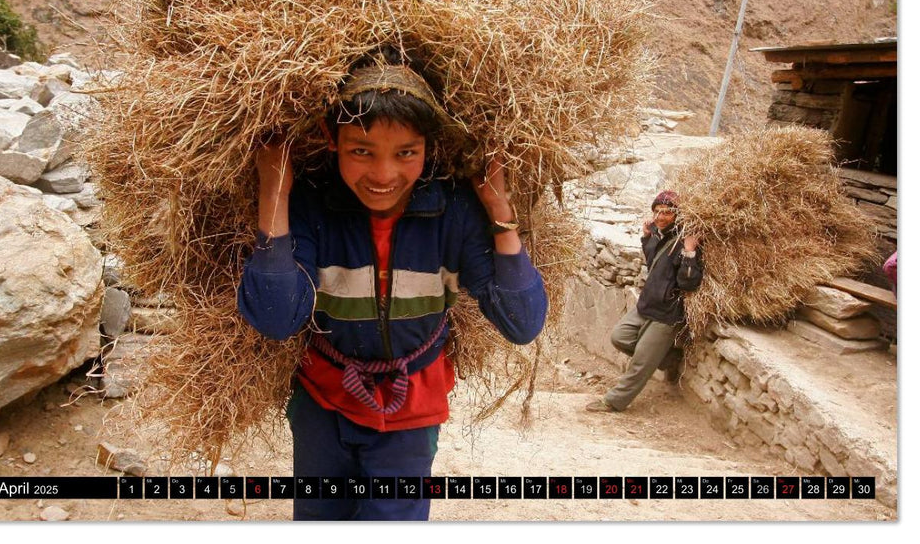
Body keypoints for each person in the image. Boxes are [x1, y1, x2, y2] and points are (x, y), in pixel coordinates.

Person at [237, 60, 548, 520]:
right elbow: (275, 317)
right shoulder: (312, 202)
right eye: (362, 151)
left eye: (406, 153)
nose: (383, 175)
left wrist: (499, 211)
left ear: (429, 147)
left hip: (413, 410)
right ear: (331, 139)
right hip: (323, 402)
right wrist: (276, 191)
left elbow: (523, 322)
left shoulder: (453, 211)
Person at [585, 190, 703, 413]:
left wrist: (689, 252)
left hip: (666, 313)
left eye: (667, 212)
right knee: (619, 337)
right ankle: (669, 359)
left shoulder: (684, 242)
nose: (661, 216)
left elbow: (689, 284)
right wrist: (647, 236)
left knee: (640, 362)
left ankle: (613, 401)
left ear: (677, 214)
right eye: (657, 211)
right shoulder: (662, 236)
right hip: (646, 306)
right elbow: (652, 261)